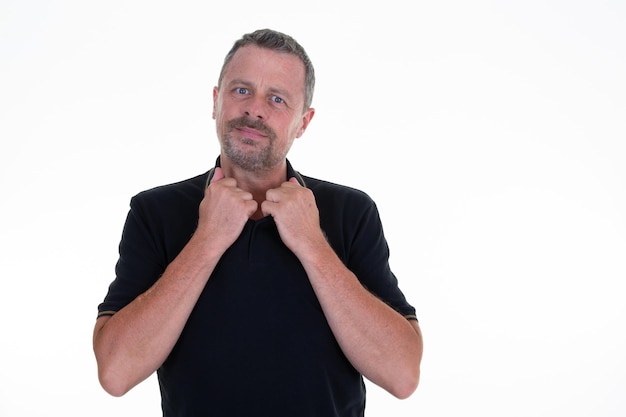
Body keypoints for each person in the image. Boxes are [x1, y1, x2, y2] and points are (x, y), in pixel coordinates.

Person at [93, 28, 423, 416]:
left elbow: (402, 375)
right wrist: (207, 240)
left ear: (303, 122)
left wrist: (313, 245)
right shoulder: (155, 212)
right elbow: (115, 373)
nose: (254, 109)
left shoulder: (351, 211)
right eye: (241, 91)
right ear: (216, 101)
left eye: (277, 98)